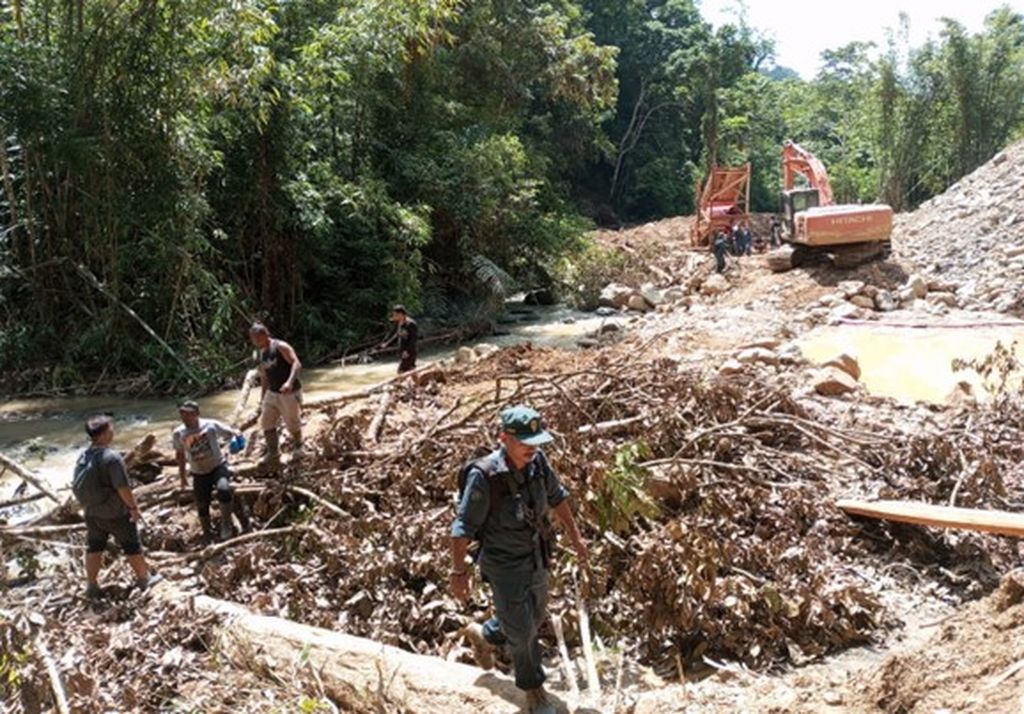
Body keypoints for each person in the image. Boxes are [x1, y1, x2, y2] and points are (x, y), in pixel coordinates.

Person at [450, 406, 589, 714]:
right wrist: (458, 572)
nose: (533, 448)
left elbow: (558, 496)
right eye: (526, 442)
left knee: (534, 618)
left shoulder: (538, 463)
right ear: (504, 438)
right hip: (504, 566)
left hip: (537, 556)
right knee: (524, 631)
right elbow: (462, 528)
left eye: (536, 441)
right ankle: (534, 692)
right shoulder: (484, 476)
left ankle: (485, 634)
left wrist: (576, 537)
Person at [71, 414, 161, 598]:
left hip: (91, 512)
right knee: (132, 545)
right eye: (110, 429)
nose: (113, 432)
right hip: (114, 513)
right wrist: (133, 508)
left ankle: (91, 586)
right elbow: (123, 487)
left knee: (94, 547)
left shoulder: (83, 455)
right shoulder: (111, 457)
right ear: (103, 434)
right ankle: (144, 579)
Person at [172, 400, 250, 542]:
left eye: (187, 414)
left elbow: (229, 432)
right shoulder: (179, 433)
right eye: (182, 413)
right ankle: (207, 533)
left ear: (196, 414)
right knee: (202, 503)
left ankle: (226, 524)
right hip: (198, 472)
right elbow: (180, 455)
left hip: (217, 466)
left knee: (224, 489)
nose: (184, 416)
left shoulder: (210, 425)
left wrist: (236, 435)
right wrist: (182, 477)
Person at [249, 322, 304, 464]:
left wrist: (289, 382)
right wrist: (262, 399)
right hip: (272, 392)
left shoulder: (280, 346)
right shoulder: (261, 353)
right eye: (253, 339)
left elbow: (296, 363)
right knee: (266, 421)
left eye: (257, 338)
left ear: (265, 335)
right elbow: (264, 377)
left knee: (292, 422)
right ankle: (273, 452)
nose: (255, 342)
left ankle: (299, 447)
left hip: (289, 392)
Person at [379, 304, 418, 374]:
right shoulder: (400, 323)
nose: (393, 317)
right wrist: (387, 344)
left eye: (395, 315)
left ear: (400, 314)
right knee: (410, 371)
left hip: (409, 353)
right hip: (402, 352)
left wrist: (407, 351)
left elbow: (413, 340)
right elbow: (397, 335)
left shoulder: (411, 324)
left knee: (401, 372)